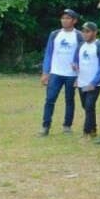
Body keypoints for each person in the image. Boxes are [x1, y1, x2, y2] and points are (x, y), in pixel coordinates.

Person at [39, 8, 83, 136]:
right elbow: (48, 53)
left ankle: (67, 125)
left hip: (71, 74)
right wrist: (45, 72)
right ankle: (45, 126)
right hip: (56, 73)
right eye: (63, 18)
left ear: (74, 20)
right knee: (50, 99)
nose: (65, 20)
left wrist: (79, 74)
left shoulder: (79, 35)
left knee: (69, 100)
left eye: (68, 18)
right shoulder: (55, 34)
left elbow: (81, 54)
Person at [71, 21, 100, 140]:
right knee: (86, 106)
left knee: (90, 105)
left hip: (94, 84)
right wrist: (75, 66)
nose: (85, 34)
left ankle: (86, 133)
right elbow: (75, 59)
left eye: (88, 31)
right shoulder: (81, 45)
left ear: (95, 32)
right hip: (82, 82)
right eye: (84, 31)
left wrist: (94, 82)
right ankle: (93, 128)